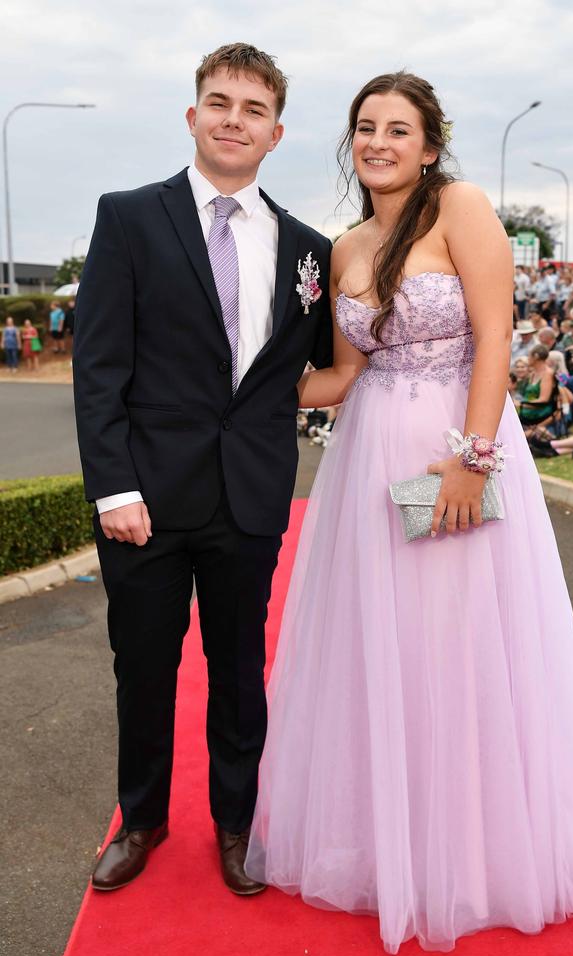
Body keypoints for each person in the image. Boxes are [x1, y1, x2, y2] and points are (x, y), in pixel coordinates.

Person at [245, 70, 573, 955]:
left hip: (456, 449)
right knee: (383, 647)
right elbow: (342, 375)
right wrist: (228, 393)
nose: (379, 141)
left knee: (463, 645)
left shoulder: (459, 206)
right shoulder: (344, 248)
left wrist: (473, 459)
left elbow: (495, 335)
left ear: (429, 143)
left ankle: (475, 855)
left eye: (398, 128)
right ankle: (389, 848)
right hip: (366, 464)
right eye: (365, 128)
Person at [73, 43, 333, 897]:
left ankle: (236, 825)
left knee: (237, 671)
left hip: (249, 498)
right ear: (193, 116)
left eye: (253, 110)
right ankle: (142, 818)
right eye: (219, 103)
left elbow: (319, 366)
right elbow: (100, 368)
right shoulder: (129, 216)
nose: (234, 119)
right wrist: (113, 488)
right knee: (142, 667)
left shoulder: (308, 249)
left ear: (276, 133)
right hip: (143, 500)